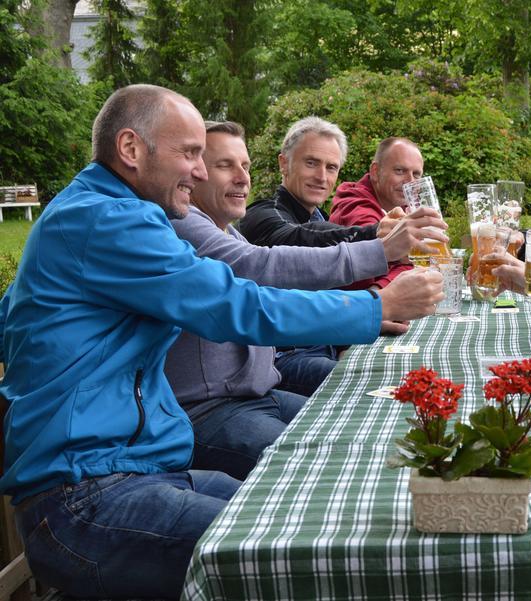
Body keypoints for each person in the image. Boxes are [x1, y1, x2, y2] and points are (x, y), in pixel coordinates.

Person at [0, 85, 443, 599]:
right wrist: (377, 307)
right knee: (296, 552)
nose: (203, 171)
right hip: (84, 499)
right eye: (190, 153)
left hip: (141, 470)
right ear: (130, 149)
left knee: (303, 503)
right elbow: (238, 302)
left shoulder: (102, 214)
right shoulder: (104, 219)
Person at [166, 121, 443, 479]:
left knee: (369, 426)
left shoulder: (228, 229)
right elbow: (267, 263)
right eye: (225, 165)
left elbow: (278, 290)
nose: (241, 177)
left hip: (259, 391)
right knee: (332, 464)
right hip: (210, 409)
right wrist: (377, 255)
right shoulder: (195, 225)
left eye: (245, 166)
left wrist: (370, 303)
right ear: (197, 172)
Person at [239, 117, 449, 396]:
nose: (321, 176)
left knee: (417, 367)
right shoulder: (262, 215)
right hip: (281, 358)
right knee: (385, 385)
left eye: (331, 167)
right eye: (311, 163)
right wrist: (375, 235)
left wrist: (374, 304)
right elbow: (303, 239)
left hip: (326, 343)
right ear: (283, 163)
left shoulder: (319, 216)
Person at [328, 136, 422, 289]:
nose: (410, 181)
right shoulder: (355, 205)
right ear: (375, 172)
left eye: (416, 174)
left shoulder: (406, 208)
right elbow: (373, 260)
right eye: (400, 171)